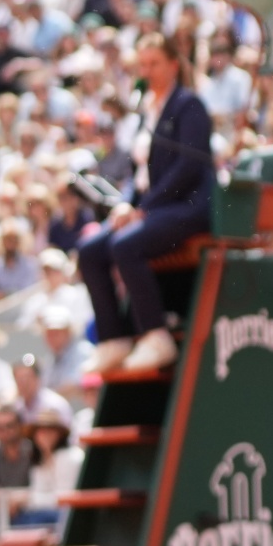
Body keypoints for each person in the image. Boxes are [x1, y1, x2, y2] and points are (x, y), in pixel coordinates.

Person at [78, 38, 215, 376]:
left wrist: (144, 208)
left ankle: (156, 335)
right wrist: (126, 205)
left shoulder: (189, 105)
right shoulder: (147, 110)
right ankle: (114, 338)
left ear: (173, 65)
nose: (147, 72)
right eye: (143, 64)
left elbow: (189, 167)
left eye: (154, 63)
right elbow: (138, 175)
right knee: (90, 251)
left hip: (188, 207)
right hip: (153, 208)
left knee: (125, 245)